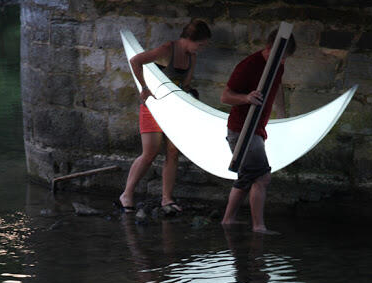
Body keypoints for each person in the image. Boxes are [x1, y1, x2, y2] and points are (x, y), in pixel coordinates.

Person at [119, 19, 211, 215]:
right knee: (150, 153)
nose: (201, 49)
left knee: (172, 153)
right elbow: (136, 61)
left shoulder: (191, 57)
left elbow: (185, 85)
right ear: (190, 39)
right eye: (200, 44)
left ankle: (166, 198)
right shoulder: (167, 49)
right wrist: (144, 87)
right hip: (154, 107)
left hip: (175, 111)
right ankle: (126, 194)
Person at [221, 28, 296, 231]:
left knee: (246, 177)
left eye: (285, 58)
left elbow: (276, 86)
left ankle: (228, 220)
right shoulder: (248, 66)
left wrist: (281, 113)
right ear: (270, 48)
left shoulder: (277, 66)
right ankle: (258, 227)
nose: (283, 62)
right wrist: (246, 98)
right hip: (242, 129)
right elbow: (225, 96)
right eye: (281, 57)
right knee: (262, 177)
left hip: (257, 128)